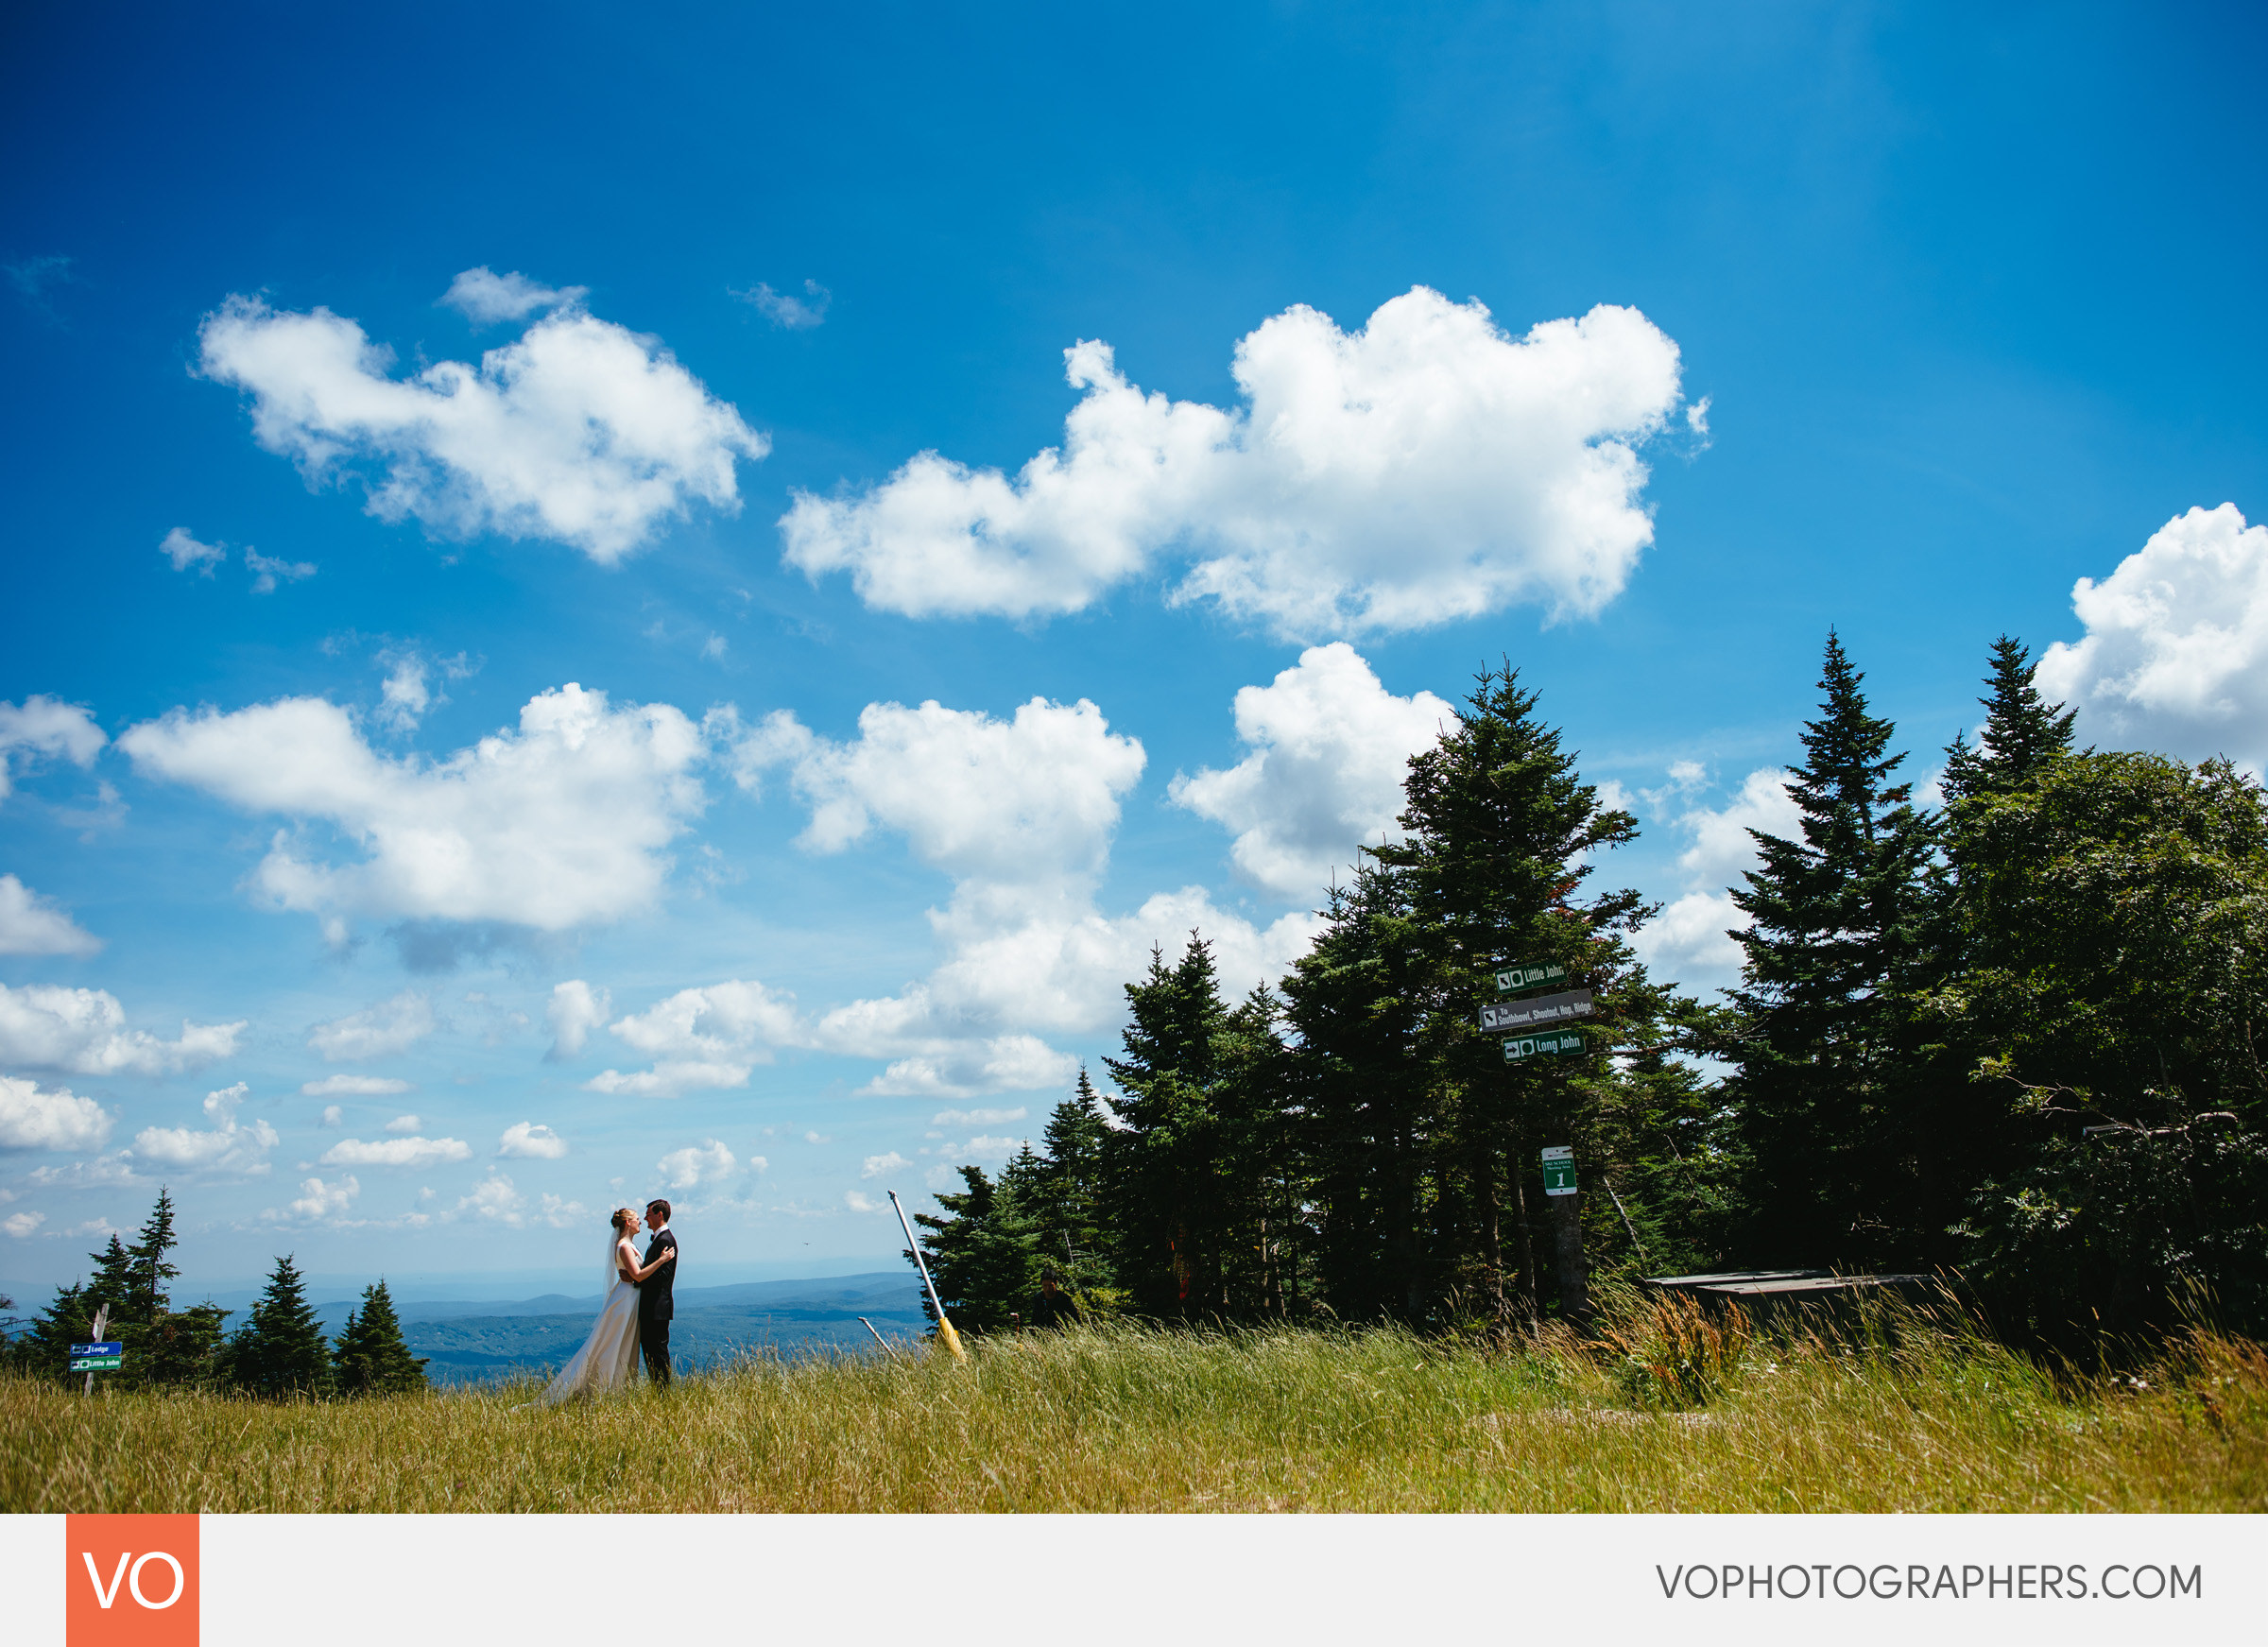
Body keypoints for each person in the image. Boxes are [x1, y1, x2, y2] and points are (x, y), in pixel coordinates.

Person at [527, 1207, 675, 1406]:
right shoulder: (624, 1246)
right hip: (626, 1302)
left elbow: (636, 1275)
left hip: (631, 1299)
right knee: (612, 1343)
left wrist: (635, 1274)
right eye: (637, 1219)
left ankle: (615, 1388)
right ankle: (599, 1387)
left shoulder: (628, 1245)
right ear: (627, 1223)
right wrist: (661, 1260)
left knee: (622, 1344)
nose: (640, 1221)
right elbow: (639, 1275)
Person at [637, 1197, 679, 1386]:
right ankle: (659, 1390)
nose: (645, 1219)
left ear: (659, 1215)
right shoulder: (659, 1239)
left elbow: (662, 1278)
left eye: (648, 1215)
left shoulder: (665, 1240)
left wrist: (635, 1279)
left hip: (657, 1308)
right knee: (651, 1353)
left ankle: (663, 1392)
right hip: (653, 1308)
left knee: (658, 1354)